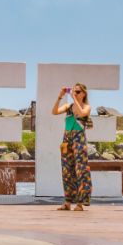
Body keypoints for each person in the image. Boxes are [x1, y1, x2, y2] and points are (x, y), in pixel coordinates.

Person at [53, 83, 92, 211]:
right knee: (66, 171)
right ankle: (68, 202)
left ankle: (80, 203)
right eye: (74, 91)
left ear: (84, 93)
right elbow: (54, 112)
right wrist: (60, 97)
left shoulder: (86, 107)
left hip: (79, 139)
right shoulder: (68, 107)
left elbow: (81, 114)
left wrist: (74, 99)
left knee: (81, 170)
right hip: (66, 139)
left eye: (78, 92)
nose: (75, 93)